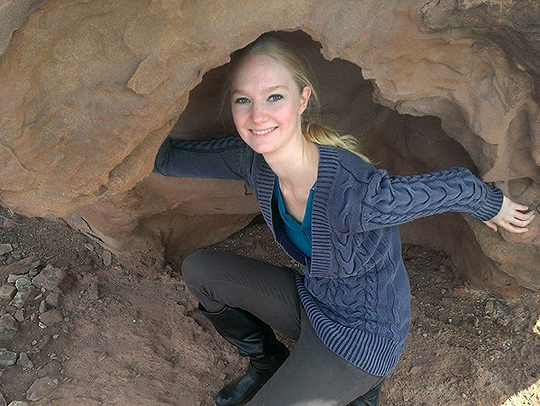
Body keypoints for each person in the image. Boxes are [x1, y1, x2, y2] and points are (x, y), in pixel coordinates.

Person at [154, 35, 535, 406]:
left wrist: (492, 203)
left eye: (274, 97)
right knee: (200, 270)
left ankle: (361, 390)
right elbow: (167, 159)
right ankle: (268, 363)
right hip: (313, 301)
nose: (257, 116)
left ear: (303, 99)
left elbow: (450, 187)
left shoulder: (355, 193)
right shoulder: (252, 160)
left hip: (362, 340)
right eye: (243, 100)